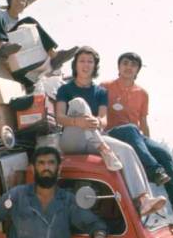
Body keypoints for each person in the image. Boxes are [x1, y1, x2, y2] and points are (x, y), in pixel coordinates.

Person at [56, 46, 166, 216]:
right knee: (78, 103)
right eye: (82, 61)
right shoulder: (65, 89)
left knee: (127, 149)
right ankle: (104, 149)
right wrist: (79, 121)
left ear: (95, 66)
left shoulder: (100, 91)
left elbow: (103, 120)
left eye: (90, 61)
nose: (86, 65)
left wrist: (97, 121)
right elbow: (59, 118)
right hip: (72, 139)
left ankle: (143, 200)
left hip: (93, 138)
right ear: (75, 64)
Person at [102, 52, 173, 212]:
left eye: (133, 65)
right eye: (125, 63)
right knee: (131, 129)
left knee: (163, 153)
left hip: (135, 136)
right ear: (118, 67)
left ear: (137, 70)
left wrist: (147, 146)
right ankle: (154, 171)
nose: (128, 67)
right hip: (112, 134)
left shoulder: (142, 93)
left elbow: (144, 123)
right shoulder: (105, 87)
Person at [0, 0, 78, 70]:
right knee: (29, 20)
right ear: (10, 0)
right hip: (0, 46)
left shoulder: (19, 25)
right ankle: (54, 55)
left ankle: (51, 60)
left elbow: (23, 3)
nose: (18, 2)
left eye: (22, 1)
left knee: (29, 30)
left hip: (14, 49)